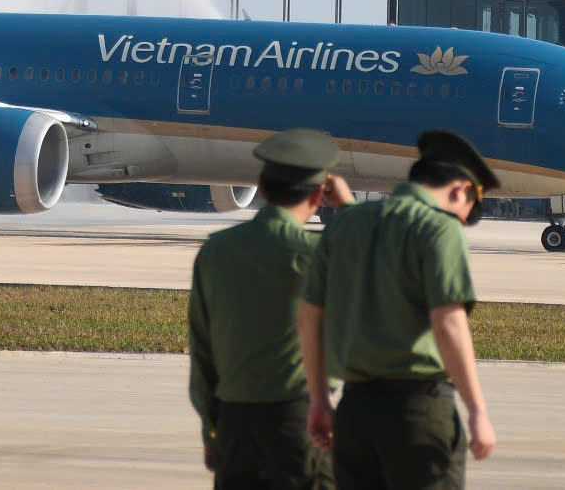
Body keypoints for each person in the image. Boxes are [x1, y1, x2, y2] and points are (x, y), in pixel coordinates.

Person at [299, 128, 499, 490]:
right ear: (459, 190)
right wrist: (478, 412)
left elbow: (310, 318)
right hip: (417, 412)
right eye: (466, 212)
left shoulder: (347, 224)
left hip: (355, 412)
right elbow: (448, 324)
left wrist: (318, 400)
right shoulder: (440, 229)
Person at [189, 128, 356, 490]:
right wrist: (346, 208)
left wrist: (211, 430)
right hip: (298, 422)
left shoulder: (215, 252)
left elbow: (202, 358)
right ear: (318, 196)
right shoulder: (321, 254)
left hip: (234, 425)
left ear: (262, 189)